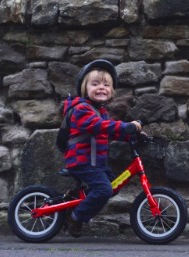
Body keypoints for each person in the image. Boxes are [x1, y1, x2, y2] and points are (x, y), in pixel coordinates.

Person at [62, 59, 143, 238]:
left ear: (112, 91)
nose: (101, 87)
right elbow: (100, 127)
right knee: (104, 190)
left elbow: (110, 131)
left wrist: (132, 134)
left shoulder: (100, 111)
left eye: (106, 85)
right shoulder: (81, 109)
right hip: (82, 161)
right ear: (85, 88)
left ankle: (75, 199)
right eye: (95, 84)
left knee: (113, 186)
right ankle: (75, 216)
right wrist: (127, 126)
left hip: (95, 162)